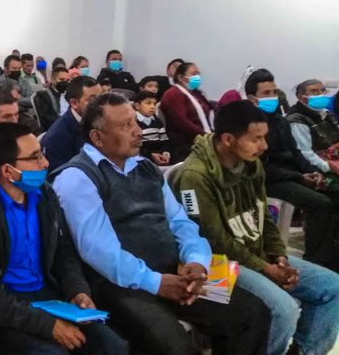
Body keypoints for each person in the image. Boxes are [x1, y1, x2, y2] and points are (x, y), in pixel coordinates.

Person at [55, 93, 270, 354]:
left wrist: (195, 262)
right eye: (125, 126)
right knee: (173, 346)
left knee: (252, 314)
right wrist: (156, 282)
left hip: (173, 272)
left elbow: (180, 222)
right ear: (97, 137)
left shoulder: (144, 167)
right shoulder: (77, 177)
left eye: (135, 122)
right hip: (119, 284)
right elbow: (100, 252)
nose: (137, 131)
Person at [171, 100, 339, 355]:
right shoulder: (195, 176)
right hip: (215, 264)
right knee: (283, 309)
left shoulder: (251, 163)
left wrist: (279, 256)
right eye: (256, 139)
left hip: (254, 254)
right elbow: (213, 240)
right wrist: (267, 269)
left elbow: (263, 216)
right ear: (228, 139)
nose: (264, 146)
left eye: (264, 137)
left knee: (332, 287)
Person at [0, 123, 128, 354]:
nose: (45, 163)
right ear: (8, 171)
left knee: (114, 347)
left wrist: (77, 290)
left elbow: (63, 250)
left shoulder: (43, 194)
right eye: (35, 157)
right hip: (2, 308)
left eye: (41, 153)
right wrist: (47, 326)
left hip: (49, 296)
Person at [244, 72, 339, 271]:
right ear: (252, 98)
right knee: (319, 203)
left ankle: (332, 252)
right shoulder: (248, 126)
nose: (273, 97)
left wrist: (313, 172)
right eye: (266, 93)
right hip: (268, 180)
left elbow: (296, 153)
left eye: (274, 91)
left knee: (333, 191)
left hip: (291, 174)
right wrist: (300, 177)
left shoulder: (280, 120)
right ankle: (317, 261)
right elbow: (261, 166)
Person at [42, 76, 102, 175]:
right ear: (74, 103)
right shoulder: (57, 137)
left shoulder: (100, 121)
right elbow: (59, 176)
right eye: (92, 100)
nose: (101, 105)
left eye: (101, 98)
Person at [159, 61, 213, 162]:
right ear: (180, 77)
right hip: (185, 144)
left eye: (198, 74)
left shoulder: (196, 94)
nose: (198, 77)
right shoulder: (173, 94)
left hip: (202, 138)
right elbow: (181, 122)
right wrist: (205, 135)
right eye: (194, 74)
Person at [287, 79, 339, 174]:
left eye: (323, 91)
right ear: (301, 97)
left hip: (333, 158)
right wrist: (329, 167)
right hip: (317, 169)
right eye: (314, 92)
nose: (320, 94)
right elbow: (305, 154)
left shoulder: (326, 113)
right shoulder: (297, 120)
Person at [133, 91, 171, 165]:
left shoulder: (157, 121)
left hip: (159, 157)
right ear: (137, 106)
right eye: (148, 103)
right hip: (141, 160)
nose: (153, 106)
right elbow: (134, 146)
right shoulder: (133, 122)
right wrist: (150, 155)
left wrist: (165, 154)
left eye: (154, 104)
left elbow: (164, 141)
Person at [34, 66, 71, 132]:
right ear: (53, 80)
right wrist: (65, 122)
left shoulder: (69, 94)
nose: (65, 83)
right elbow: (45, 118)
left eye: (67, 80)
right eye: (62, 80)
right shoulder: (43, 96)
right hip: (56, 129)